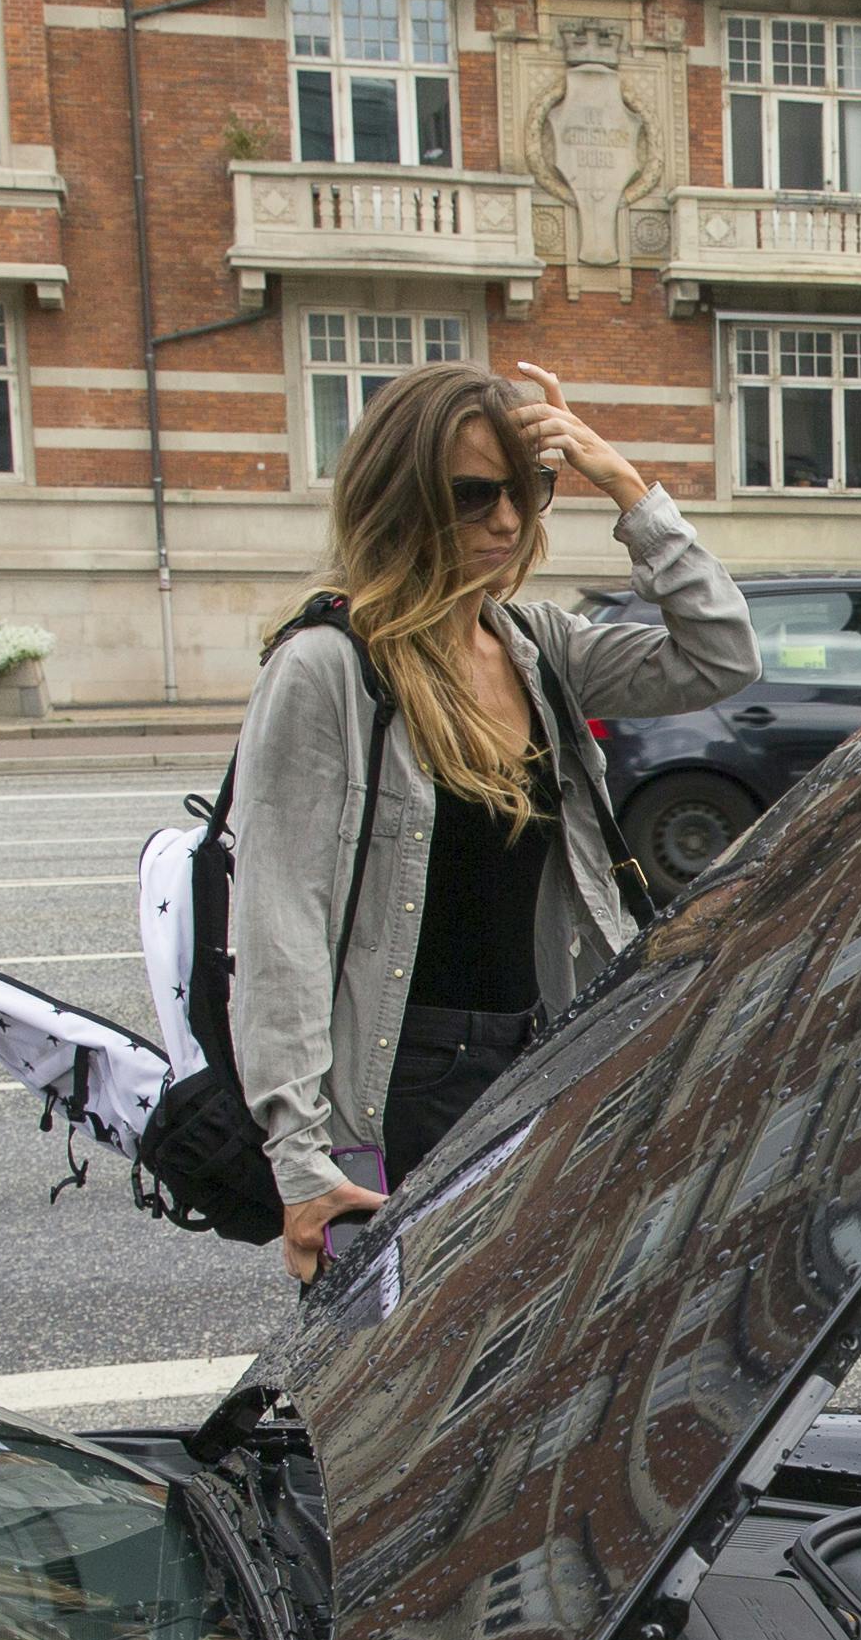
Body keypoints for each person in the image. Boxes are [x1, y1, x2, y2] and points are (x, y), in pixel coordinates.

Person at [231, 362, 754, 1282]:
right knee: (401, 1377)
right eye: (475, 496)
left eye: (528, 490)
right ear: (401, 496)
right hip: (400, 1083)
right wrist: (303, 1165)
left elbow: (719, 655)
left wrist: (622, 482)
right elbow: (282, 926)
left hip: (536, 1056)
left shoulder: (535, 646)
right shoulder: (329, 668)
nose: (508, 523)